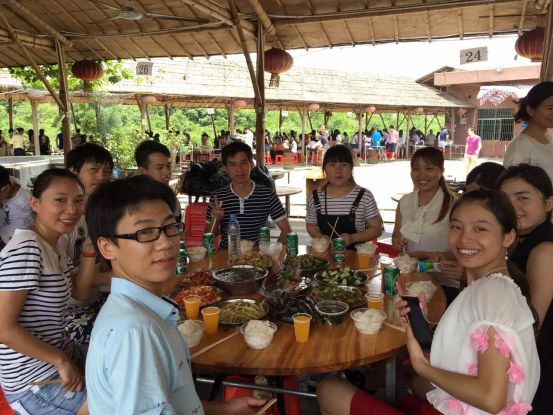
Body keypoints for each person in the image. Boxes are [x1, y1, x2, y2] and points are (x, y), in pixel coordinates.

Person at [318, 188, 540, 415]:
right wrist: (423, 327)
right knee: (393, 388)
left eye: (480, 228)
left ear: (508, 237)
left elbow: (491, 398)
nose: (464, 238)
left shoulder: (493, 293)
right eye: (457, 227)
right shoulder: (491, 284)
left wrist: (422, 365)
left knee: (328, 389)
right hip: (452, 405)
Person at [84, 175, 267, 414]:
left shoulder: (135, 311)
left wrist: (225, 410)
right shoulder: (136, 333)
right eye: (145, 232)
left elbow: (170, 401)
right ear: (107, 247)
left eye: (170, 227)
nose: (166, 243)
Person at [0, 168, 97, 415]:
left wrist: (89, 250)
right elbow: (3, 329)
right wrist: (61, 361)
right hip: (33, 380)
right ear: (35, 204)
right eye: (60, 200)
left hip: (61, 355)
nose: (72, 210)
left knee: (126, 364)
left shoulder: (52, 246)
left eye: (78, 201)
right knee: (120, 404)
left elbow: (79, 292)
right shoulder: (27, 249)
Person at [496, 164, 553, 414]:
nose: (512, 206)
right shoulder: (519, 242)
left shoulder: (544, 251)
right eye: (505, 199)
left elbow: (532, 325)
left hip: (536, 368)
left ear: (548, 204)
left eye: (523, 198)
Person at [392, 147, 461, 304]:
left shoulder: (454, 204)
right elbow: (396, 236)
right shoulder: (405, 201)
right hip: (409, 279)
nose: (421, 175)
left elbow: (462, 250)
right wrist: (396, 242)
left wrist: (426, 254)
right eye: (416, 169)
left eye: (429, 168)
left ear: (441, 171)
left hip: (443, 283)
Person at [61, 143, 114, 346]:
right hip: (67, 311)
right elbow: (65, 282)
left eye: (106, 171)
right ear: (73, 172)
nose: (101, 176)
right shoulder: (65, 221)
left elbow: (105, 263)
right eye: (94, 169)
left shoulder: (100, 213)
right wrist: (114, 277)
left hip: (96, 299)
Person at [205, 142, 292, 248]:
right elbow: (209, 235)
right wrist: (215, 220)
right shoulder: (217, 197)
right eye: (232, 164)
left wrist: (274, 253)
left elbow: (286, 230)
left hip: (258, 256)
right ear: (226, 169)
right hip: (227, 255)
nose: (239, 169)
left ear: (252, 164)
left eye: (244, 163)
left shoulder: (268, 195)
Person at [306, 146, 382, 250]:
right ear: (324, 169)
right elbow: (311, 226)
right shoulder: (315, 197)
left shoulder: (365, 196)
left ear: (351, 168)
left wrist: (353, 238)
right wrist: (320, 237)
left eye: (344, 165)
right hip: (324, 255)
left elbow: (376, 229)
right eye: (332, 165)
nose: (338, 170)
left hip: (356, 256)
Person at [504, 82, 553, 184]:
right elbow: (513, 186)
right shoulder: (521, 146)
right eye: (550, 108)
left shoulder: (548, 139)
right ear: (530, 110)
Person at [135, 140, 186, 224]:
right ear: (142, 171)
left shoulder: (172, 200)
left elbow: (177, 227)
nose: (167, 172)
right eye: (160, 168)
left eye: (168, 166)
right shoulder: (132, 202)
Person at [0, 166, 35, 248]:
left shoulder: (24, 201)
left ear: (6, 189)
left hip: (18, 243)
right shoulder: (8, 180)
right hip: (4, 235)